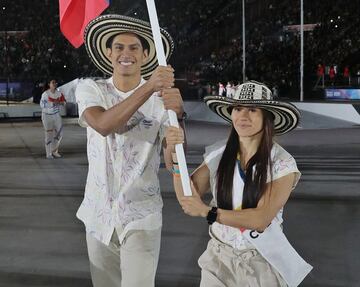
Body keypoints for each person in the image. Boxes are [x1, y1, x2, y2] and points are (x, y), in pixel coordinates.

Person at [75, 15, 186, 287]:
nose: (127, 53)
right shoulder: (91, 89)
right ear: (108, 53)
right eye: (120, 48)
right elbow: (102, 125)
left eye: (134, 48)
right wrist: (150, 86)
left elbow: (172, 163)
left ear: (146, 54)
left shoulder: (162, 101)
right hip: (98, 214)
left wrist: (178, 120)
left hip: (141, 215)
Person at [166, 81, 312, 286]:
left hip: (261, 262)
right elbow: (188, 199)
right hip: (218, 260)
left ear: (267, 117)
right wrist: (175, 156)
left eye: (252, 110)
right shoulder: (219, 153)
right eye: (237, 108)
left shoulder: (282, 163)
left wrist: (208, 212)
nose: (242, 116)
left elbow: (260, 219)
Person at [39, 79, 66, 159]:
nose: (55, 84)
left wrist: (60, 103)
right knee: (49, 135)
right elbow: (42, 105)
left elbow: (64, 102)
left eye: (55, 82)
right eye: (53, 82)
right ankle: (49, 153)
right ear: (49, 84)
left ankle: (54, 151)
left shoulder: (59, 93)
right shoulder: (45, 94)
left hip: (56, 115)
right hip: (47, 115)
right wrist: (52, 103)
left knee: (59, 134)